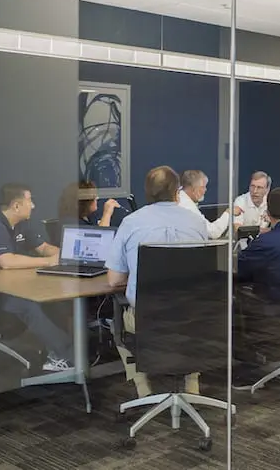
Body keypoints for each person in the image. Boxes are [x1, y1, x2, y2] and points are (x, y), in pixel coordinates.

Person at [106, 166, 208, 398]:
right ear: (177, 192)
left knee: (118, 321)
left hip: (147, 319)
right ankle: (192, 385)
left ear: (148, 194)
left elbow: (114, 280)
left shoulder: (132, 223)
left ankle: (143, 390)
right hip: (193, 318)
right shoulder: (197, 223)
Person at [0, 183, 74, 371]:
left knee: (53, 299)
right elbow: (7, 261)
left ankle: (58, 353)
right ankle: (69, 356)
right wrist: (48, 262)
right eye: (29, 201)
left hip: (8, 286)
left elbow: (43, 248)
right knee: (29, 306)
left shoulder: (22, 224)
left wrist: (67, 255)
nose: (33, 206)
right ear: (16, 206)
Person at [178, 170, 238, 239]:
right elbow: (213, 232)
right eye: (203, 187)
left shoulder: (180, 198)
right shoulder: (188, 207)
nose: (205, 190)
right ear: (194, 189)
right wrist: (228, 213)